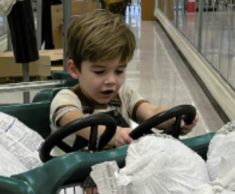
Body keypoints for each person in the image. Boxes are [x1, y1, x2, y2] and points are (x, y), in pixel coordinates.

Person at [49, 10, 199, 151]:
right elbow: (73, 121)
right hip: (71, 175)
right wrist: (113, 134)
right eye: (100, 72)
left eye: (119, 71)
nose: (111, 80)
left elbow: (151, 111)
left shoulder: (123, 95)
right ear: (74, 69)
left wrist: (172, 119)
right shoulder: (66, 99)